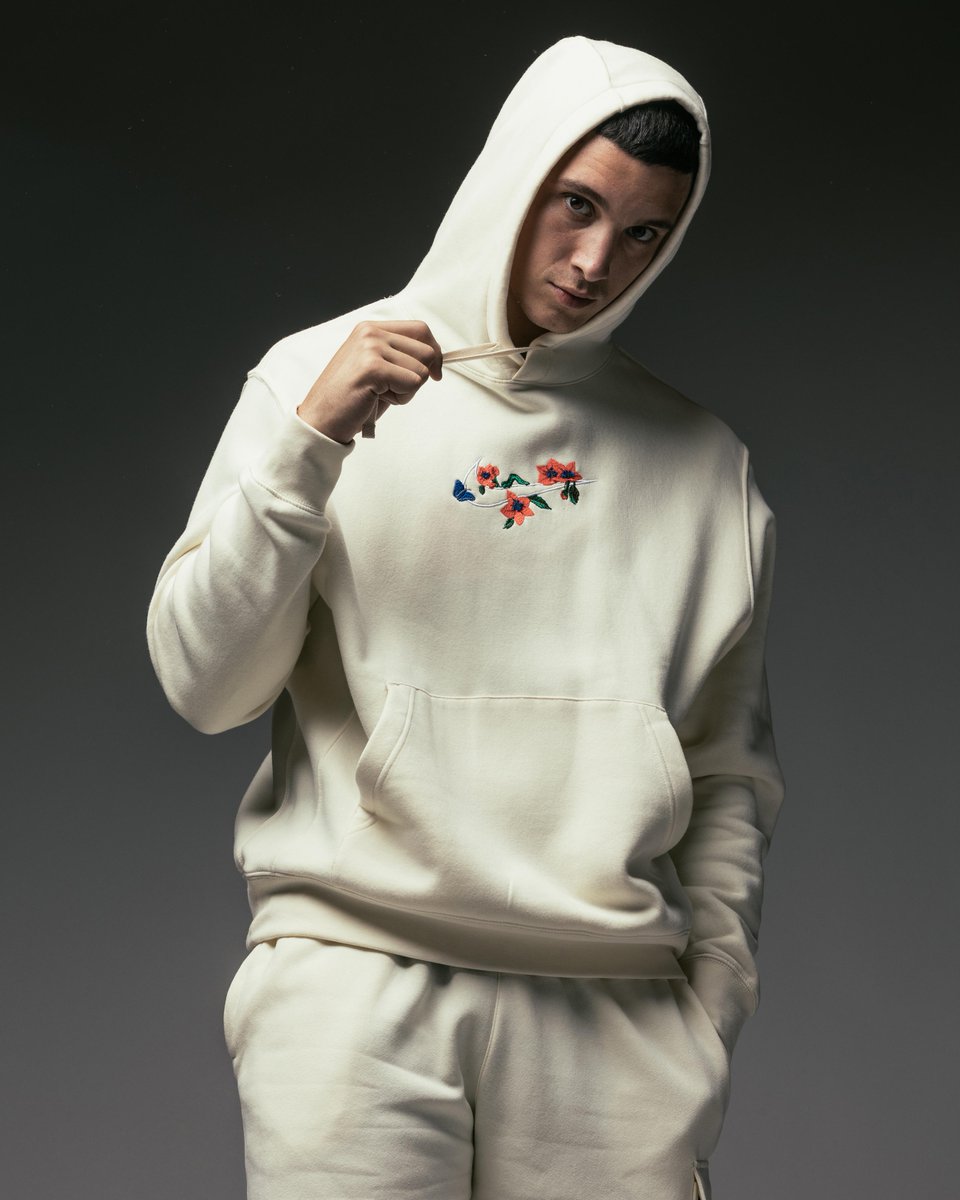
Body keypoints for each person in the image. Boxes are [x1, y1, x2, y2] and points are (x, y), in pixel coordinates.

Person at [147, 34, 784, 1200]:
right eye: (575, 205)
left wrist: (710, 1008)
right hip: (354, 993)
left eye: (643, 232)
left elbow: (726, 777)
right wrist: (310, 446)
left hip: (617, 1022)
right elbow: (205, 685)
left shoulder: (704, 467)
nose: (595, 263)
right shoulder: (311, 379)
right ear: (514, 173)